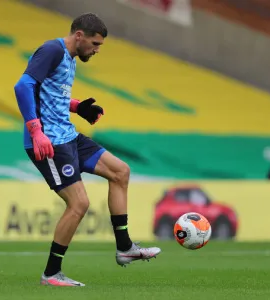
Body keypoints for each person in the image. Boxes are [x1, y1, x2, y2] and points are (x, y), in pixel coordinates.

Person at [14, 13, 161, 287]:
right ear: (79, 36)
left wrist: (77, 106)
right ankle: (51, 273)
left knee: (120, 172)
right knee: (79, 203)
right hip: (50, 141)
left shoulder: (68, 58)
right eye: (95, 44)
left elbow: (50, 93)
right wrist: (36, 131)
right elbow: (23, 85)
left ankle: (125, 247)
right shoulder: (52, 49)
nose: (96, 50)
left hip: (67, 135)